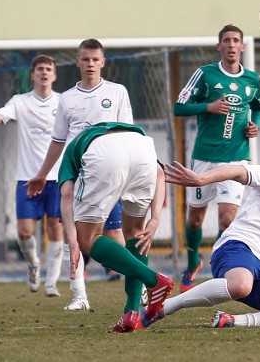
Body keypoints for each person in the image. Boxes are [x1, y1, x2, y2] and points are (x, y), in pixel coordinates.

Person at [137, 143, 260, 329]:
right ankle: (163, 307)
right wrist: (201, 179)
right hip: (239, 246)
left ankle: (234, 321)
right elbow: (240, 171)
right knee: (241, 285)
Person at [26, 39, 136, 311]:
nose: (89, 64)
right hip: (75, 169)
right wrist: (42, 174)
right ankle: (79, 295)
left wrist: (129, 172)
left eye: (94, 59)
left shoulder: (117, 92)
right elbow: (58, 140)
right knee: (71, 235)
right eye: (84, 59)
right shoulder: (67, 98)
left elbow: (128, 134)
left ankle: (138, 285)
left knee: (114, 243)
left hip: (107, 173)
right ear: (77, 62)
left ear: (102, 62)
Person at [0, 54, 63, 297]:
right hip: (27, 178)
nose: (44, 72)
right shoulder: (20, 101)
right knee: (24, 232)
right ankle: (33, 264)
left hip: (57, 178)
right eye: (40, 69)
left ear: (55, 75)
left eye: (48, 69)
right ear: (33, 74)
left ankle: (52, 282)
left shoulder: (63, 102)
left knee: (55, 230)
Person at [57, 121, 174, 333]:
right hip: (143, 147)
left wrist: (74, 242)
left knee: (89, 239)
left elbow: (66, 195)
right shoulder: (127, 131)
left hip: (104, 155)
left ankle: (153, 280)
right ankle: (131, 313)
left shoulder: (74, 147)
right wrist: (155, 218)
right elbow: (159, 173)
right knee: (136, 233)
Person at [172, 24, 260, 293]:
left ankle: (221, 265)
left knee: (227, 220)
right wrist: (207, 107)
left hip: (236, 160)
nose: (232, 45)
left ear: (242, 47)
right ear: (219, 47)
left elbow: (258, 107)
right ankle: (192, 263)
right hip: (205, 157)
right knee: (195, 220)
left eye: (236, 40)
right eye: (227, 41)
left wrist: (254, 125)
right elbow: (179, 107)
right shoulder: (205, 74)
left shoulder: (253, 80)